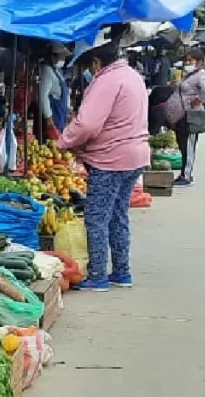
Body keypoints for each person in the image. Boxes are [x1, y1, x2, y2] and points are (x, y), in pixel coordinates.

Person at [57, 40, 148, 292]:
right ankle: (121, 271)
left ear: (97, 63)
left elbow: (87, 124)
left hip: (111, 160)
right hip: (134, 157)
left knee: (96, 218)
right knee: (118, 215)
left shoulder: (107, 80)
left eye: (90, 66)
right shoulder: (131, 75)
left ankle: (97, 275)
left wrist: (64, 141)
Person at [163, 48, 205, 187]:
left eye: (191, 60)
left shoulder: (201, 74)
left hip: (190, 116)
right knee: (182, 145)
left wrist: (198, 100)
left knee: (188, 147)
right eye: (186, 60)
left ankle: (187, 175)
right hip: (180, 117)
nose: (187, 62)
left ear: (199, 61)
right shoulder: (189, 74)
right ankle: (183, 173)